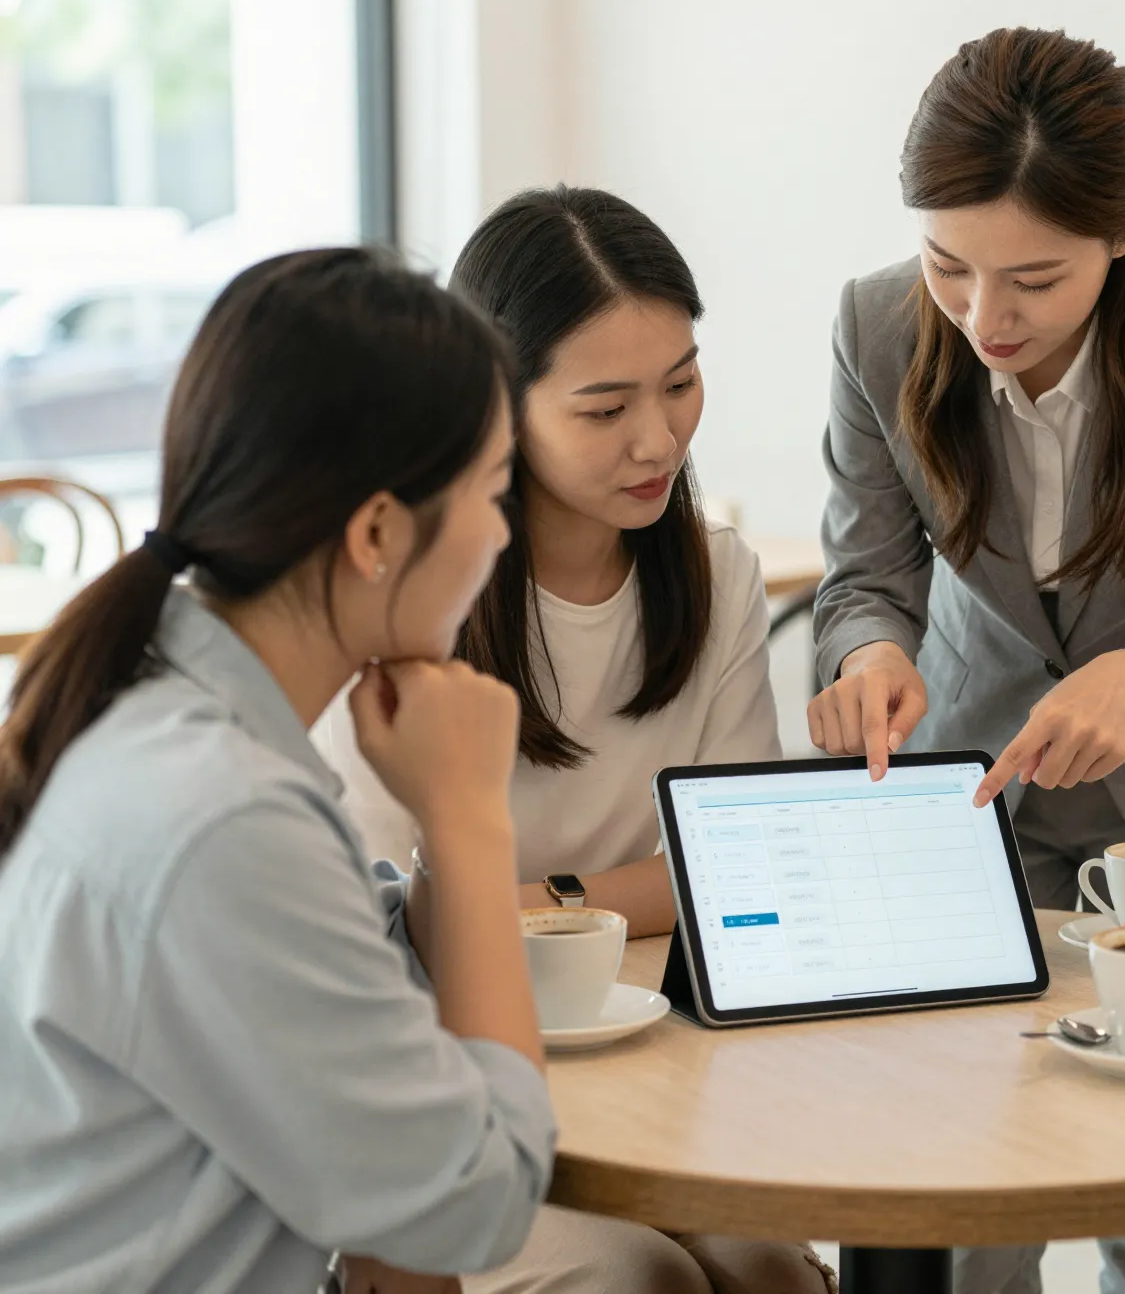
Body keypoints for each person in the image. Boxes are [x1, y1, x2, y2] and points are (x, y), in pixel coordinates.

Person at [807, 26, 1125, 1294]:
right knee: (980, 1178)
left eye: (1033, 278)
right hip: (977, 795)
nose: (986, 316)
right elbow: (867, 576)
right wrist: (870, 652)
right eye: (950, 266)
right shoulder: (876, 326)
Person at [0, 248, 553, 1292]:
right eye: (494, 491)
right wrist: (471, 817)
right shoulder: (223, 815)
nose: (501, 533)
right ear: (379, 533)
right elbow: (480, 1201)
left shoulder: (153, 706)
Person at [316, 187, 830, 1294]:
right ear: (496, 409)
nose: (660, 438)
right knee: (639, 1279)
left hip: (656, 1063)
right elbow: (386, 924)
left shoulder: (716, 573)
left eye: (682, 382)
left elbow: (740, 863)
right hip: (452, 1089)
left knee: (775, 1273)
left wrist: (528, 902)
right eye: (604, 409)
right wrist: (618, 895)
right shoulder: (416, 600)